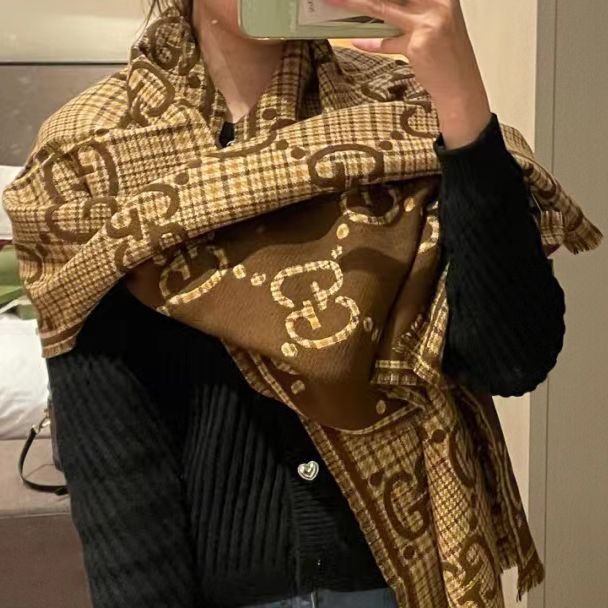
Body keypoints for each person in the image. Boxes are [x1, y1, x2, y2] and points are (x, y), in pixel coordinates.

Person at [41, 1, 566, 607]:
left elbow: (512, 359)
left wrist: (462, 104)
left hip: (408, 581)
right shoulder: (89, 154)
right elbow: (114, 456)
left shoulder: (406, 109)